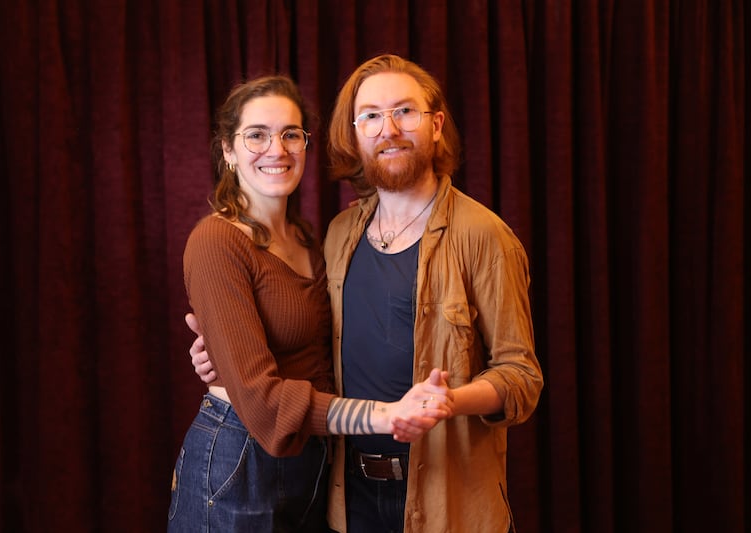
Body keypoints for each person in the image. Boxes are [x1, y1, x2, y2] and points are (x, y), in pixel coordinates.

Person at [190, 55, 544, 532]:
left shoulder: (483, 235)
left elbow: (521, 377)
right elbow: (305, 348)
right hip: (339, 493)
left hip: (445, 497)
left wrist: (449, 403)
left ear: (436, 125)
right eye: (371, 116)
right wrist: (223, 359)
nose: (388, 129)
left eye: (405, 111)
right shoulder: (339, 235)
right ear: (354, 134)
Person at [169, 74, 452, 533]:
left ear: (306, 144)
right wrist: (386, 414)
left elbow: (324, 351)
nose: (276, 150)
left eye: (291, 135)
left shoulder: (309, 240)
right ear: (227, 149)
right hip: (240, 461)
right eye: (256, 135)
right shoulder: (216, 241)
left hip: (314, 460)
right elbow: (260, 404)